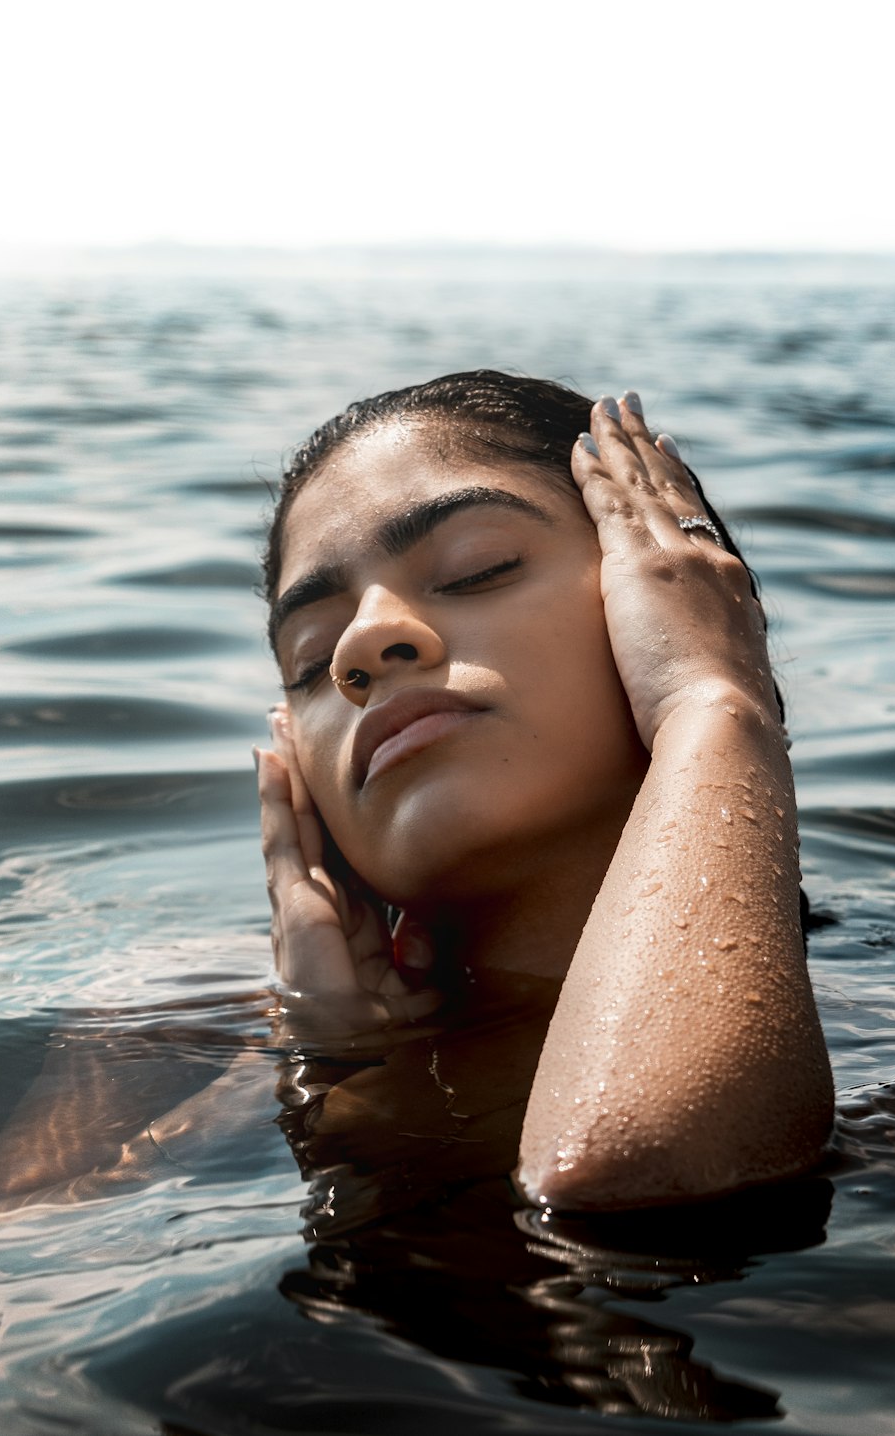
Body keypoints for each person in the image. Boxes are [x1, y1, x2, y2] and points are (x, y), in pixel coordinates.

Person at [254, 369, 834, 1213]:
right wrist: (325, 1065)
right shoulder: (198, 1035)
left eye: (476, 569)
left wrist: (713, 703)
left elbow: (623, 1168)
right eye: (312, 659)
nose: (364, 645)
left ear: (689, 603)